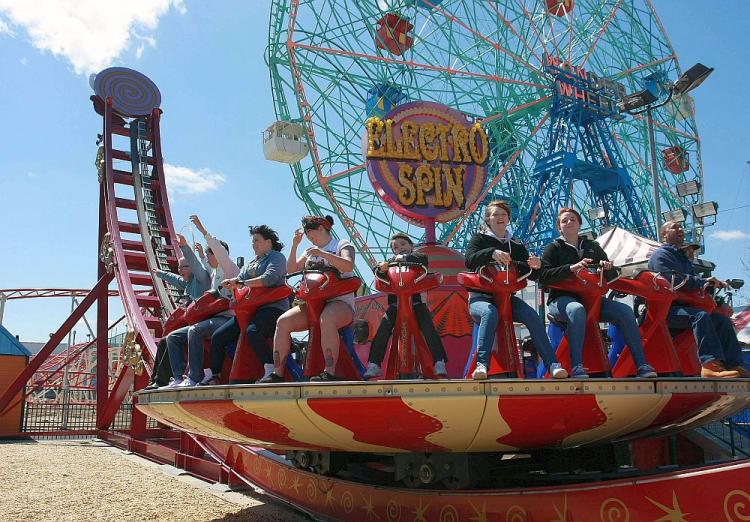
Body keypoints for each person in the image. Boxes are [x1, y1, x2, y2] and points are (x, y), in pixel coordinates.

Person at [539, 207, 657, 379]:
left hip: (592, 299)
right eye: (564, 221)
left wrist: (606, 268)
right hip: (561, 300)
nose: (569, 222)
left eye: (573, 219)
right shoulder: (553, 248)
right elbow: (543, 277)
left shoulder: (592, 247)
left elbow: (610, 275)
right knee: (577, 309)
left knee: (624, 311)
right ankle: (577, 366)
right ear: (559, 228)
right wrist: (571, 269)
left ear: (579, 224)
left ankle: (641, 365)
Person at [465, 200, 568, 380]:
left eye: (503, 215)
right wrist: (491, 253)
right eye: (495, 214)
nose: (500, 218)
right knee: (490, 313)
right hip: (481, 297)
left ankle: (552, 364)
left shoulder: (516, 245)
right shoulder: (479, 239)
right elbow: (470, 260)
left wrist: (536, 265)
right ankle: (482, 365)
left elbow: (530, 273)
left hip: (506, 297)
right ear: (487, 219)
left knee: (533, 317)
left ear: (508, 219)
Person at [261, 215, 356, 383]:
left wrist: (322, 254)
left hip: (339, 301)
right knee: (283, 322)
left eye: (309, 232)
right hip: (312, 303)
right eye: (305, 233)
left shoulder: (341, 244)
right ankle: (277, 373)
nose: (308, 236)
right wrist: (295, 245)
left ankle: (329, 372)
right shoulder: (309, 251)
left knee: (326, 319)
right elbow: (290, 270)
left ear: (321, 228)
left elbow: (348, 265)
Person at [648, 220, 748, 378]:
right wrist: (704, 282)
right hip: (667, 311)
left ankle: (735, 364)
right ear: (664, 235)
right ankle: (709, 365)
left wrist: (711, 284)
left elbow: (693, 281)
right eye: (675, 227)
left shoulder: (681, 258)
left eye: (681, 226)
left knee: (721, 320)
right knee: (700, 316)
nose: (680, 229)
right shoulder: (660, 256)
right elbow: (673, 279)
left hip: (686, 308)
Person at [206, 224, 289, 384]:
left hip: (272, 308)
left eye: (257, 240)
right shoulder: (252, 262)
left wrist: (242, 283)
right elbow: (240, 279)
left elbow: (268, 279)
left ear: (268, 241)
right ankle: (215, 375)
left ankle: (270, 368)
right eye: (252, 241)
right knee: (218, 336)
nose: (253, 244)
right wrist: (231, 282)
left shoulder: (277, 257)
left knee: (253, 330)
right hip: (249, 311)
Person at [165, 215, 240, 387]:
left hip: (226, 318)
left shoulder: (229, 268)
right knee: (173, 337)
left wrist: (202, 229)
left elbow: (218, 251)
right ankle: (178, 378)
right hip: (212, 318)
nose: (207, 258)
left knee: (194, 331)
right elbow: (202, 265)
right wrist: (187, 247)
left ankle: (195, 377)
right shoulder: (213, 274)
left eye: (209, 254)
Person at [363, 232, 448, 379]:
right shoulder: (391, 262)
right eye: (396, 247)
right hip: (397, 304)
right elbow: (378, 271)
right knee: (383, 328)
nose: (400, 248)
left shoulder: (417, 259)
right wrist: (381, 269)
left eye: (403, 244)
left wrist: (404, 258)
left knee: (428, 327)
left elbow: (423, 260)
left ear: (411, 246)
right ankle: (374, 363)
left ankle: (438, 361)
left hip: (415, 302)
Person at [153, 233, 211, 388]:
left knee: (175, 337)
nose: (179, 270)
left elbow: (196, 264)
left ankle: (179, 378)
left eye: (183, 267)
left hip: (203, 321)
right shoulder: (188, 283)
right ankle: (170, 379)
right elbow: (174, 278)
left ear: (192, 267)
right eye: (178, 267)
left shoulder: (202, 278)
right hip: (190, 320)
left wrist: (185, 247)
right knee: (167, 339)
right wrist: (159, 273)